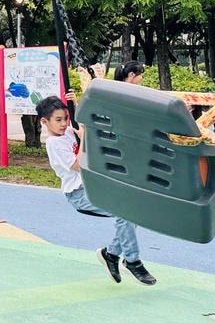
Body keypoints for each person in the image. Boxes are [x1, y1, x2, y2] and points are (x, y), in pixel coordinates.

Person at [36, 94, 156, 286]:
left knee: (131, 212)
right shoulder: (53, 144)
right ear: (45, 121)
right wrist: (84, 139)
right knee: (124, 213)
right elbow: (78, 165)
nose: (64, 123)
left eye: (65, 118)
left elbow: (81, 121)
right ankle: (132, 261)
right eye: (58, 120)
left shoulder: (66, 131)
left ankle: (111, 254)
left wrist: (75, 104)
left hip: (94, 186)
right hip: (79, 194)